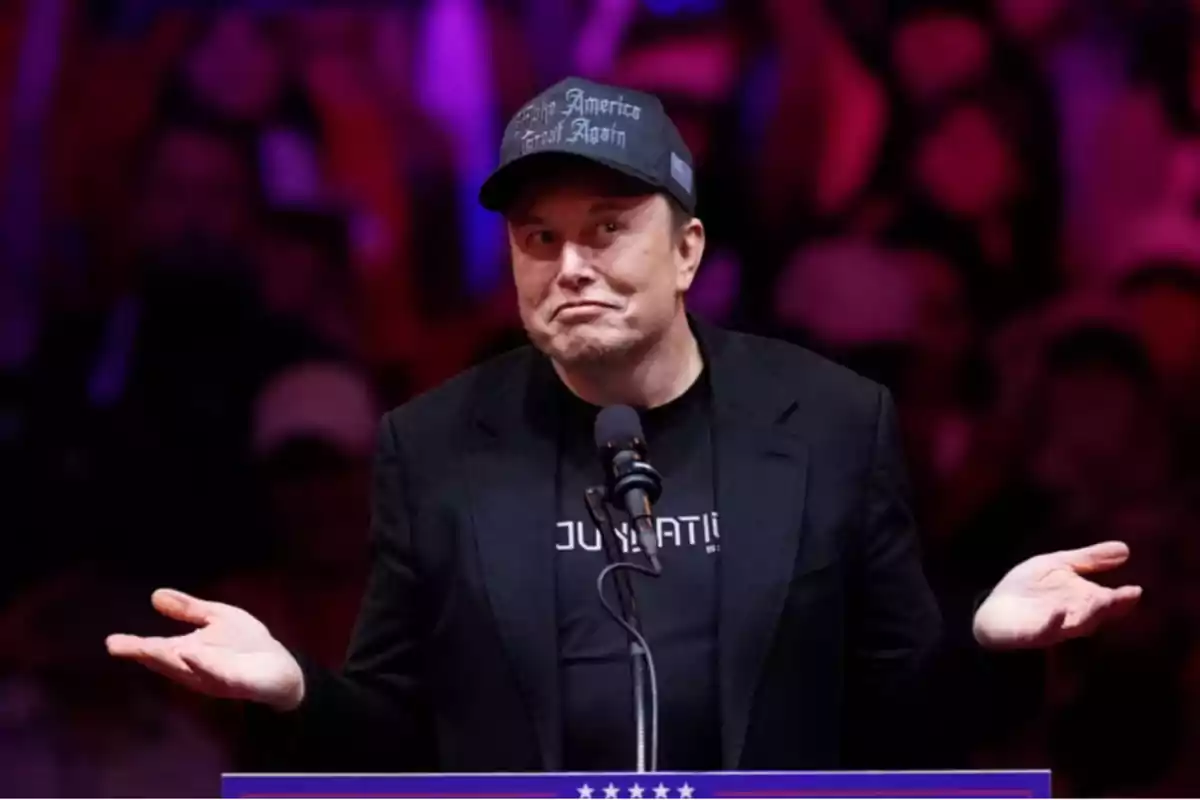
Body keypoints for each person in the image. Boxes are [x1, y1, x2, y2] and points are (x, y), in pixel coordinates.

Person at [106, 77, 1142, 773]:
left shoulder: (831, 421)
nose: (570, 266)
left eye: (608, 229)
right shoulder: (431, 446)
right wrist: (294, 692)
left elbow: (907, 728)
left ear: (688, 249)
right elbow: (399, 740)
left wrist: (993, 646)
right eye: (539, 236)